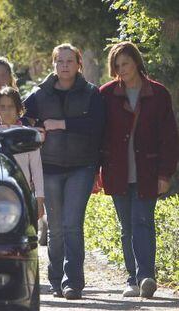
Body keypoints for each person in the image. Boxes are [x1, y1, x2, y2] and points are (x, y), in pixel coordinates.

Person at [22, 43, 105, 300]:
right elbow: (22, 118)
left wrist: (61, 124)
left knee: (72, 225)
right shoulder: (39, 94)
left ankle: (73, 283)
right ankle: (55, 279)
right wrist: (34, 129)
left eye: (70, 61)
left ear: (79, 64)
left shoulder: (91, 93)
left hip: (81, 167)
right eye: (60, 61)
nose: (65, 65)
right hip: (48, 168)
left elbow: (97, 125)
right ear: (54, 65)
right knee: (55, 228)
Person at [100, 41, 179, 298]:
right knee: (127, 226)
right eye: (117, 65)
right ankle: (131, 279)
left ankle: (146, 276)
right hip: (117, 170)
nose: (121, 69)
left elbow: (169, 138)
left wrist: (165, 174)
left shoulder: (158, 93)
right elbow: (99, 136)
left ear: (136, 62)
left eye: (125, 63)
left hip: (148, 170)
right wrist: (97, 169)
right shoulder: (106, 94)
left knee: (143, 221)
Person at [0, 86, 45, 219]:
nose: (6, 111)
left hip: (23, 194)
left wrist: (39, 201)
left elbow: (37, 169)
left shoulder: (28, 134)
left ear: (18, 109)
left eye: (10, 106)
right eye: (2, 107)